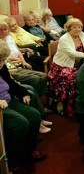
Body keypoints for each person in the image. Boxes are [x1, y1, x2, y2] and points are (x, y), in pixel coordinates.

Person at [0, 40, 45, 172]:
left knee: (34, 115)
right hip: (1, 108)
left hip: (8, 100)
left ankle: (29, 150)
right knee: (21, 122)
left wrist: (22, 92)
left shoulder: (1, 65)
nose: (2, 64)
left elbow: (9, 81)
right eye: (0, 61)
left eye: (3, 61)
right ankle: (13, 159)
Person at [48, 18, 84, 116]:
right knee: (69, 76)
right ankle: (62, 102)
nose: (77, 29)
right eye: (74, 27)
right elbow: (72, 53)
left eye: (79, 27)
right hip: (61, 65)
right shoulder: (64, 38)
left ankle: (79, 103)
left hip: (78, 65)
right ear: (69, 28)